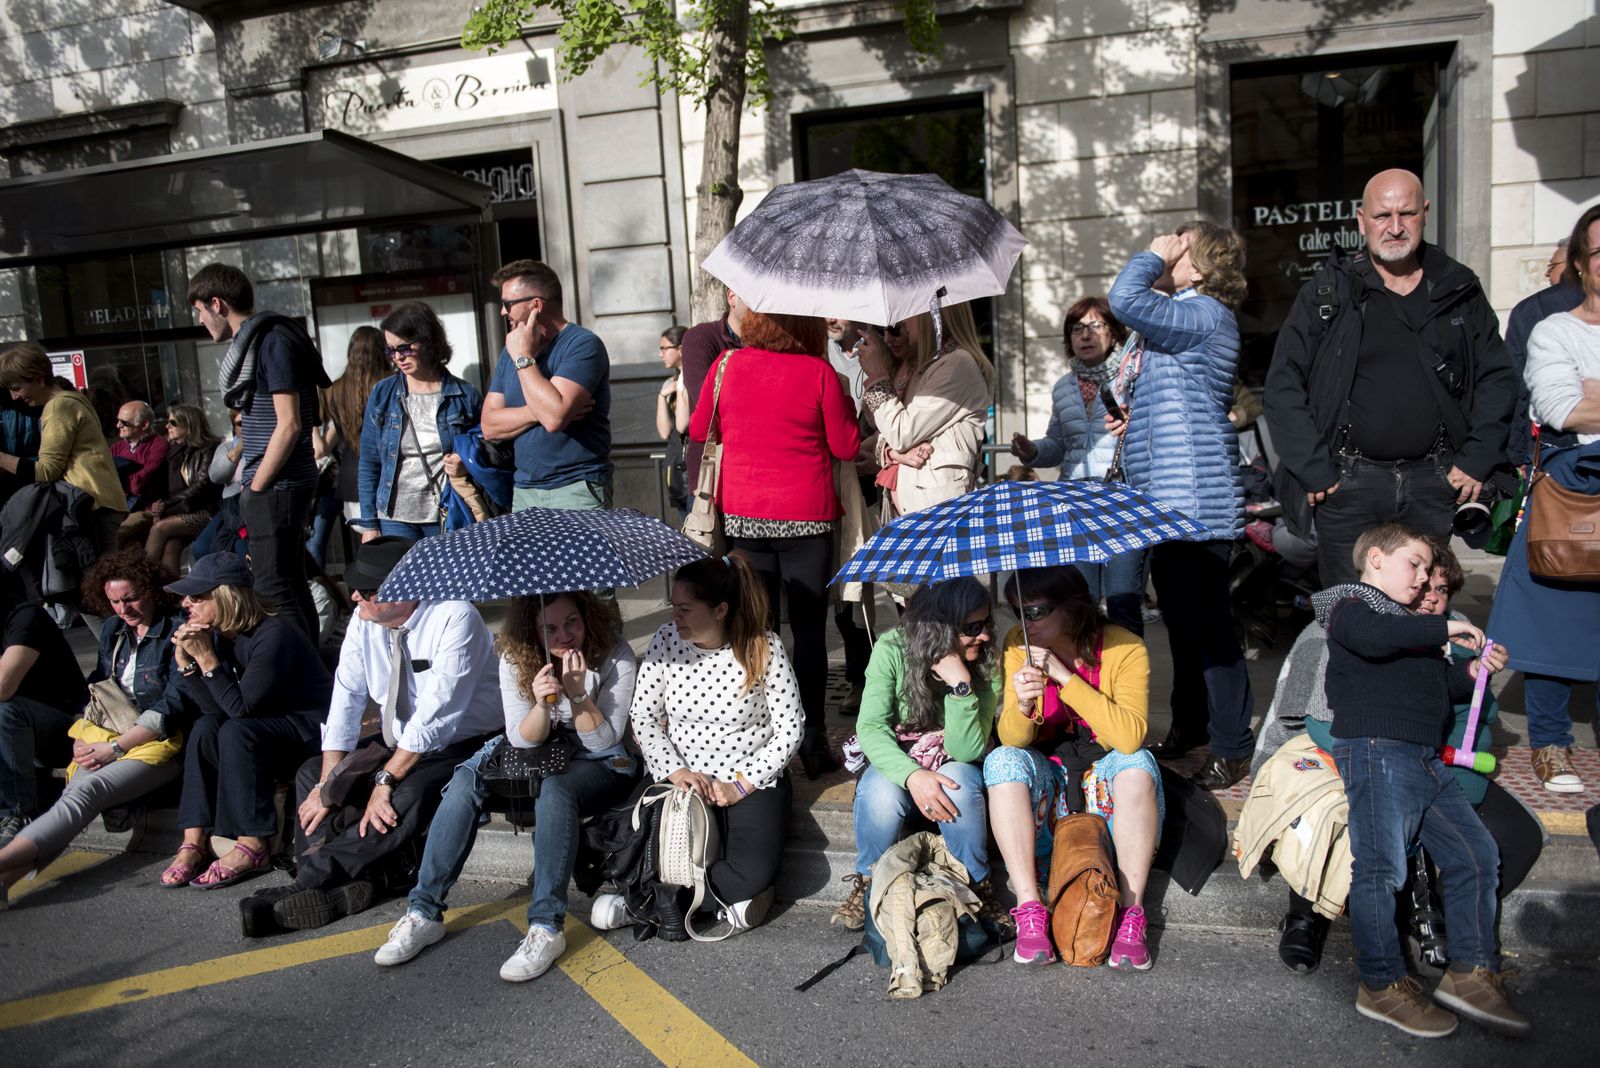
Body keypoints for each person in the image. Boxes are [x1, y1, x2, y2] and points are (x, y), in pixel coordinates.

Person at [1254, 537, 1544, 974]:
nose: (1429, 597)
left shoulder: (1457, 633)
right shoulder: (1351, 620)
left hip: (1441, 760)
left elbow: (1476, 715)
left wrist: (1473, 673)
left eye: (1441, 590)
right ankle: (1306, 917)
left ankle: (1432, 914)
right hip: (1334, 749)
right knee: (1333, 815)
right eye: (1421, 582)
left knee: (1513, 834)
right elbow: (1310, 715)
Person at [1316, 523, 1526, 1039]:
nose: (1424, 576)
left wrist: (1472, 674)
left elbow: (1430, 683)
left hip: (1424, 757)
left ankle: (1471, 974)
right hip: (1377, 751)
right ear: (1376, 560)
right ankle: (1381, 985)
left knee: (1475, 854)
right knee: (1382, 870)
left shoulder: (1408, 624)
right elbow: (1374, 637)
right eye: (1416, 563)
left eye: (1429, 569)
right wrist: (1447, 629)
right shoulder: (1349, 604)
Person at [1263, 168, 1516, 586]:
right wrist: (1314, 467)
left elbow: (1499, 378)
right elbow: (1283, 383)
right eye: (1382, 216)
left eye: (1407, 214)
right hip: (1347, 484)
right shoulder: (1329, 291)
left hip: (1434, 482)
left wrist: (1476, 458)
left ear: (1425, 214)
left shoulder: (1459, 288)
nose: (1395, 227)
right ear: (1361, 220)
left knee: (1422, 609)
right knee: (1348, 613)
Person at [241, 536, 503, 935]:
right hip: (397, 738)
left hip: (459, 740)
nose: (357, 597)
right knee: (313, 773)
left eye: (369, 589)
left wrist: (385, 780)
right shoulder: (366, 622)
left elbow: (435, 719)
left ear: (409, 586)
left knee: (407, 795)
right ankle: (355, 880)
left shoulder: (455, 617)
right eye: (355, 587)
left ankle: (309, 880)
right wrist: (331, 779)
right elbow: (344, 701)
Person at [373, 590, 638, 979]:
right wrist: (542, 704)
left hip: (598, 760)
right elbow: (521, 739)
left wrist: (579, 693)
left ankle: (545, 926)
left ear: (588, 618)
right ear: (532, 630)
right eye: (549, 628)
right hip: (534, 749)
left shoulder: (616, 653)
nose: (564, 636)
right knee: (465, 779)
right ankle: (423, 911)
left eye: (572, 623)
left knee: (557, 789)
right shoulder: (517, 656)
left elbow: (605, 741)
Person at [1108, 223, 1255, 789]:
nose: (1168, 246)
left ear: (1201, 265)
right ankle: (1192, 728)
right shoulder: (1182, 316)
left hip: (1193, 497)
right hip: (1165, 496)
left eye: (1179, 244)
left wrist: (1151, 255)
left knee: (1208, 627)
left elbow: (1124, 299)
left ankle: (1233, 744)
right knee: (1183, 625)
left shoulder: (1206, 313)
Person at [688, 312, 861, 776]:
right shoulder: (820, 373)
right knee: (809, 632)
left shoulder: (727, 365)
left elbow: (699, 426)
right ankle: (812, 739)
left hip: (745, 515)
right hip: (807, 517)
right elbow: (846, 446)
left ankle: (761, 730)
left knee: (756, 629)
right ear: (804, 328)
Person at [985, 565, 1163, 969]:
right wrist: (1025, 703)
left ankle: (1132, 914)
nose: (1024, 623)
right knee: (1002, 760)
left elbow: (1130, 736)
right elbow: (1013, 738)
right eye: (1017, 612)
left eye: (1035, 612)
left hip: (1105, 779)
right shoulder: (1018, 645)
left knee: (1137, 763)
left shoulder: (1124, 648)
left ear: (1071, 607)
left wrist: (1065, 677)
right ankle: (1030, 909)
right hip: (1051, 783)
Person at [630, 553, 804, 935]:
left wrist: (742, 784)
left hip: (749, 775)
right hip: (683, 776)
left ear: (721, 609)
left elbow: (791, 728)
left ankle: (659, 902)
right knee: (643, 847)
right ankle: (706, 905)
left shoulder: (763, 648)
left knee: (751, 870)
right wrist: (675, 771)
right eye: (674, 607)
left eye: (686, 609)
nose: (675, 617)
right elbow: (642, 716)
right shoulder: (665, 641)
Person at [0, 551, 189, 902]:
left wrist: (115, 749)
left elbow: (172, 707)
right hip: (109, 736)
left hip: (162, 743)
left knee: (84, 794)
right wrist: (81, 735)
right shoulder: (115, 630)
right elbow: (99, 690)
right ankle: (5, 880)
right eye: (114, 601)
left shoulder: (177, 629)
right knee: (74, 796)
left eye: (131, 598)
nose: (123, 609)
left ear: (153, 591)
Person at [1488, 204, 1600, 794]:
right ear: (1580, 264)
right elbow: (1562, 408)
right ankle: (1551, 744)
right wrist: (1580, 397)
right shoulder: (1553, 328)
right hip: (1574, 490)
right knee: (1557, 611)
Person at [834, 577, 998, 933]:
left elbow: (966, 749)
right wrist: (913, 776)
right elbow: (872, 729)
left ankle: (978, 886)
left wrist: (960, 687)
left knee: (958, 783)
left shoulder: (985, 662)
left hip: (953, 763)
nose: (984, 635)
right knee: (879, 790)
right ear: (940, 627)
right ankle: (867, 880)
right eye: (973, 627)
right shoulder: (892, 648)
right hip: (899, 760)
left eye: (987, 623)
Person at [159, 553, 332, 889]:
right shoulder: (222, 634)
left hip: (309, 728)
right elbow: (215, 710)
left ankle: (252, 843)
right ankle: (193, 841)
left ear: (225, 595)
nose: (185, 604)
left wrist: (206, 658)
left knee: (236, 730)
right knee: (205, 728)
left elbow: (240, 710)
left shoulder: (274, 633)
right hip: (265, 725)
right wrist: (188, 664)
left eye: (196, 596)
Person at [188, 262, 331, 639]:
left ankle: (303, 674)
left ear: (217, 304)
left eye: (201, 311)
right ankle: (311, 671)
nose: (201, 320)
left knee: (272, 587)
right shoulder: (261, 341)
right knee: (289, 582)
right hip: (274, 484)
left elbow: (290, 424)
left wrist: (257, 486)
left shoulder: (273, 341)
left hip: (277, 485)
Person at [1010, 297, 1148, 635]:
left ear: (1115, 333)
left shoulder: (1133, 379)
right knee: (1078, 602)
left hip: (1121, 502)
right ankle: (1090, 681)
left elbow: (1150, 435)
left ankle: (1127, 684)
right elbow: (1058, 445)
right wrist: (1031, 450)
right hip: (1075, 503)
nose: (1085, 336)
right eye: (1076, 329)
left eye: (1095, 326)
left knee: (1122, 603)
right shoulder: (1063, 387)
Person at [480, 260, 612, 513]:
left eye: (508, 304)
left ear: (536, 305)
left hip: (576, 488)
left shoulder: (582, 345)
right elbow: (489, 426)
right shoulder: (509, 352)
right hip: (524, 490)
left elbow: (553, 419)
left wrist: (523, 357)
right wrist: (539, 410)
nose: (502, 312)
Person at [357, 302, 482, 542]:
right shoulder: (383, 394)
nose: (397, 358)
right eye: (391, 351)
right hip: (395, 519)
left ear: (428, 341)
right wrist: (369, 524)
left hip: (448, 513)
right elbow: (369, 462)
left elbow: (486, 448)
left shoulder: (465, 395)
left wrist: (466, 462)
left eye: (404, 348)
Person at [857, 301, 994, 519]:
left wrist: (877, 377)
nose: (897, 330)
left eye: (908, 314)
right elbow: (888, 434)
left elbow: (900, 432)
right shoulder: (922, 366)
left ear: (934, 315)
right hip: (908, 507)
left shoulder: (957, 365)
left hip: (937, 511)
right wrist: (891, 453)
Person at [0, 342, 128, 553]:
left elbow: (45, 471)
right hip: (100, 502)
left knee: (99, 580)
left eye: (16, 388)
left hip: (91, 505)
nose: (14, 396)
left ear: (38, 379)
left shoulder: (58, 407)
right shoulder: (74, 400)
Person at [0, 574, 90, 846]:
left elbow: (3, 688)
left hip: (63, 728)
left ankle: (17, 811)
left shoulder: (26, 617)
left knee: (3, 710)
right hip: (16, 733)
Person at [1504, 238, 1583, 469]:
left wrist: (1516, 454)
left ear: (1573, 264)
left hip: (1551, 447)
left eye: (1551, 267)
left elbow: (1516, 385)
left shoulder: (1531, 309)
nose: (1547, 276)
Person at [680, 288, 748, 488]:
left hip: (756, 470)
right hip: (712, 475)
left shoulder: (772, 343)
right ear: (732, 296)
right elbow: (706, 400)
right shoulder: (700, 338)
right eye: (752, 296)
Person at [144, 405, 223, 574]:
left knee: (159, 529)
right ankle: (171, 596)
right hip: (180, 511)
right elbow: (167, 487)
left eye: (173, 422)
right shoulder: (174, 452)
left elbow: (202, 484)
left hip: (206, 511)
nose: (167, 426)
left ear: (188, 425)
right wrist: (160, 506)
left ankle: (142, 579)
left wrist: (166, 503)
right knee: (171, 547)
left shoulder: (209, 448)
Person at [325, 327, 389, 536]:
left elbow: (330, 440)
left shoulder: (336, 390)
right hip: (388, 478)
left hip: (352, 481)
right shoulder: (389, 385)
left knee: (366, 552)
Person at [655, 325, 691, 520]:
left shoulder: (692, 380)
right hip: (676, 464)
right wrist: (662, 396)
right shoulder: (669, 383)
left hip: (693, 467)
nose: (661, 354)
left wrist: (680, 389)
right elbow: (664, 431)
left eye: (664, 348)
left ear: (680, 349)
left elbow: (682, 425)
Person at [111, 400, 169, 513]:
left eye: (124, 422)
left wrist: (118, 484)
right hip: (119, 506)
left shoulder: (159, 446)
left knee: (119, 530)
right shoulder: (116, 448)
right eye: (118, 420)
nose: (118, 425)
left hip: (146, 508)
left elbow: (138, 484)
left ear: (144, 425)